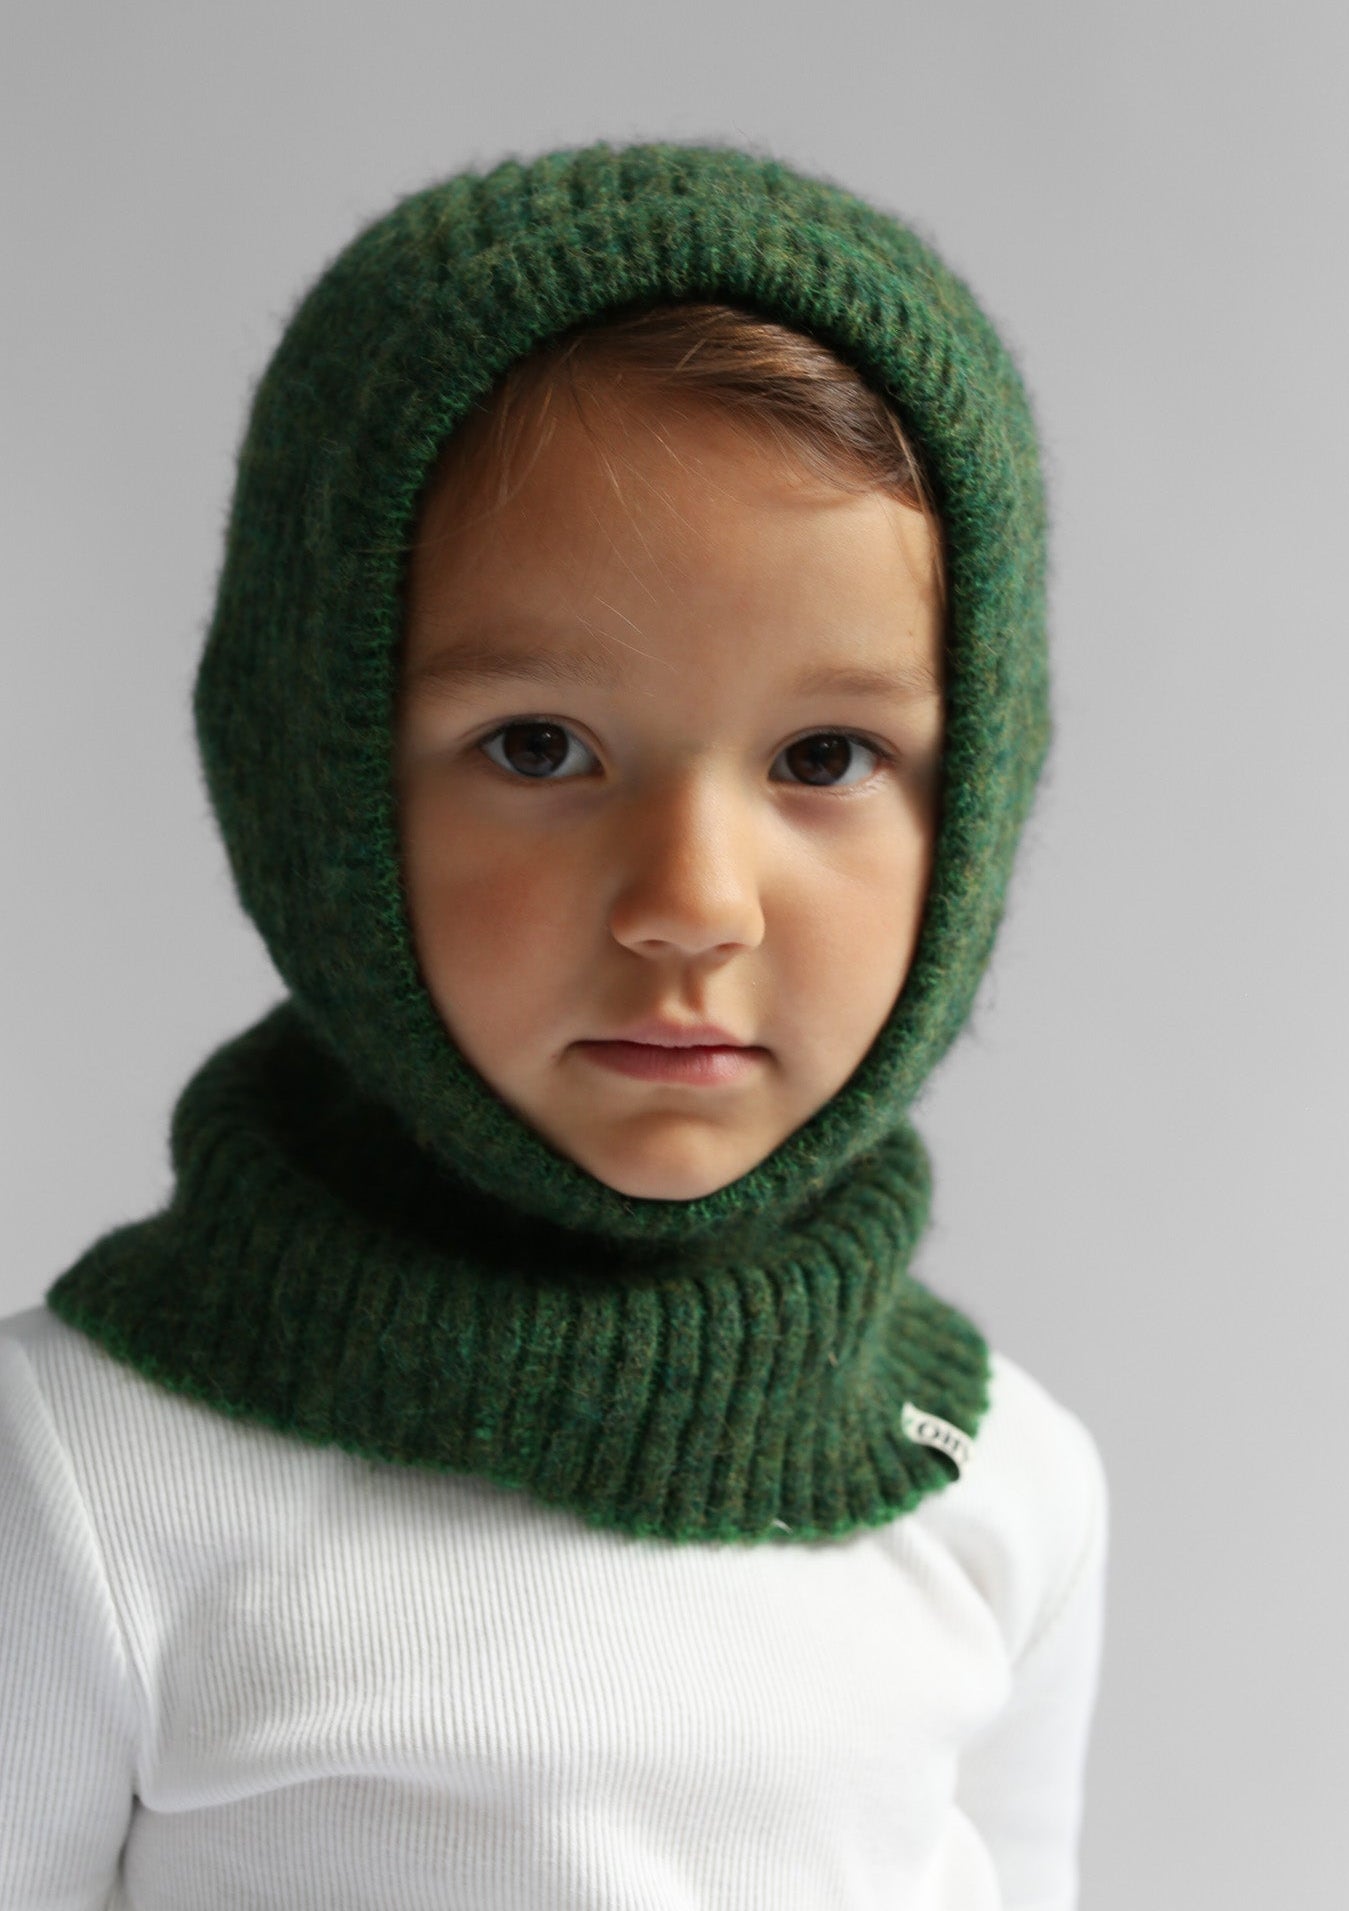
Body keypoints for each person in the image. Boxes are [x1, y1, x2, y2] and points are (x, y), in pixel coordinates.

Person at [0, 141, 1107, 1909]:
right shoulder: (84, 1483)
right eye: (538, 747)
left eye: (823, 759)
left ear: (968, 808)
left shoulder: (995, 1486)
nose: (690, 900)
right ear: (321, 780)